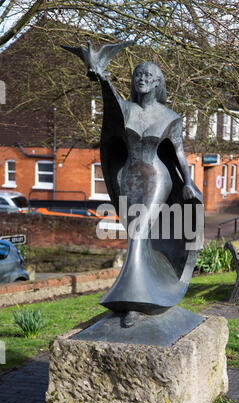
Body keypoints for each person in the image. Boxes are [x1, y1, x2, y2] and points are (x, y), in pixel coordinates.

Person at [63, 41, 203, 327]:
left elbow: (178, 154)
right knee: (134, 234)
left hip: (157, 177)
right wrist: (100, 75)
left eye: (149, 76)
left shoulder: (170, 117)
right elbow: (111, 102)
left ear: (158, 83)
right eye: (138, 75)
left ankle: (134, 303)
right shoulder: (125, 110)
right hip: (128, 175)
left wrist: (188, 181)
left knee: (138, 234)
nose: (142, 79)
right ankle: (141, 296)